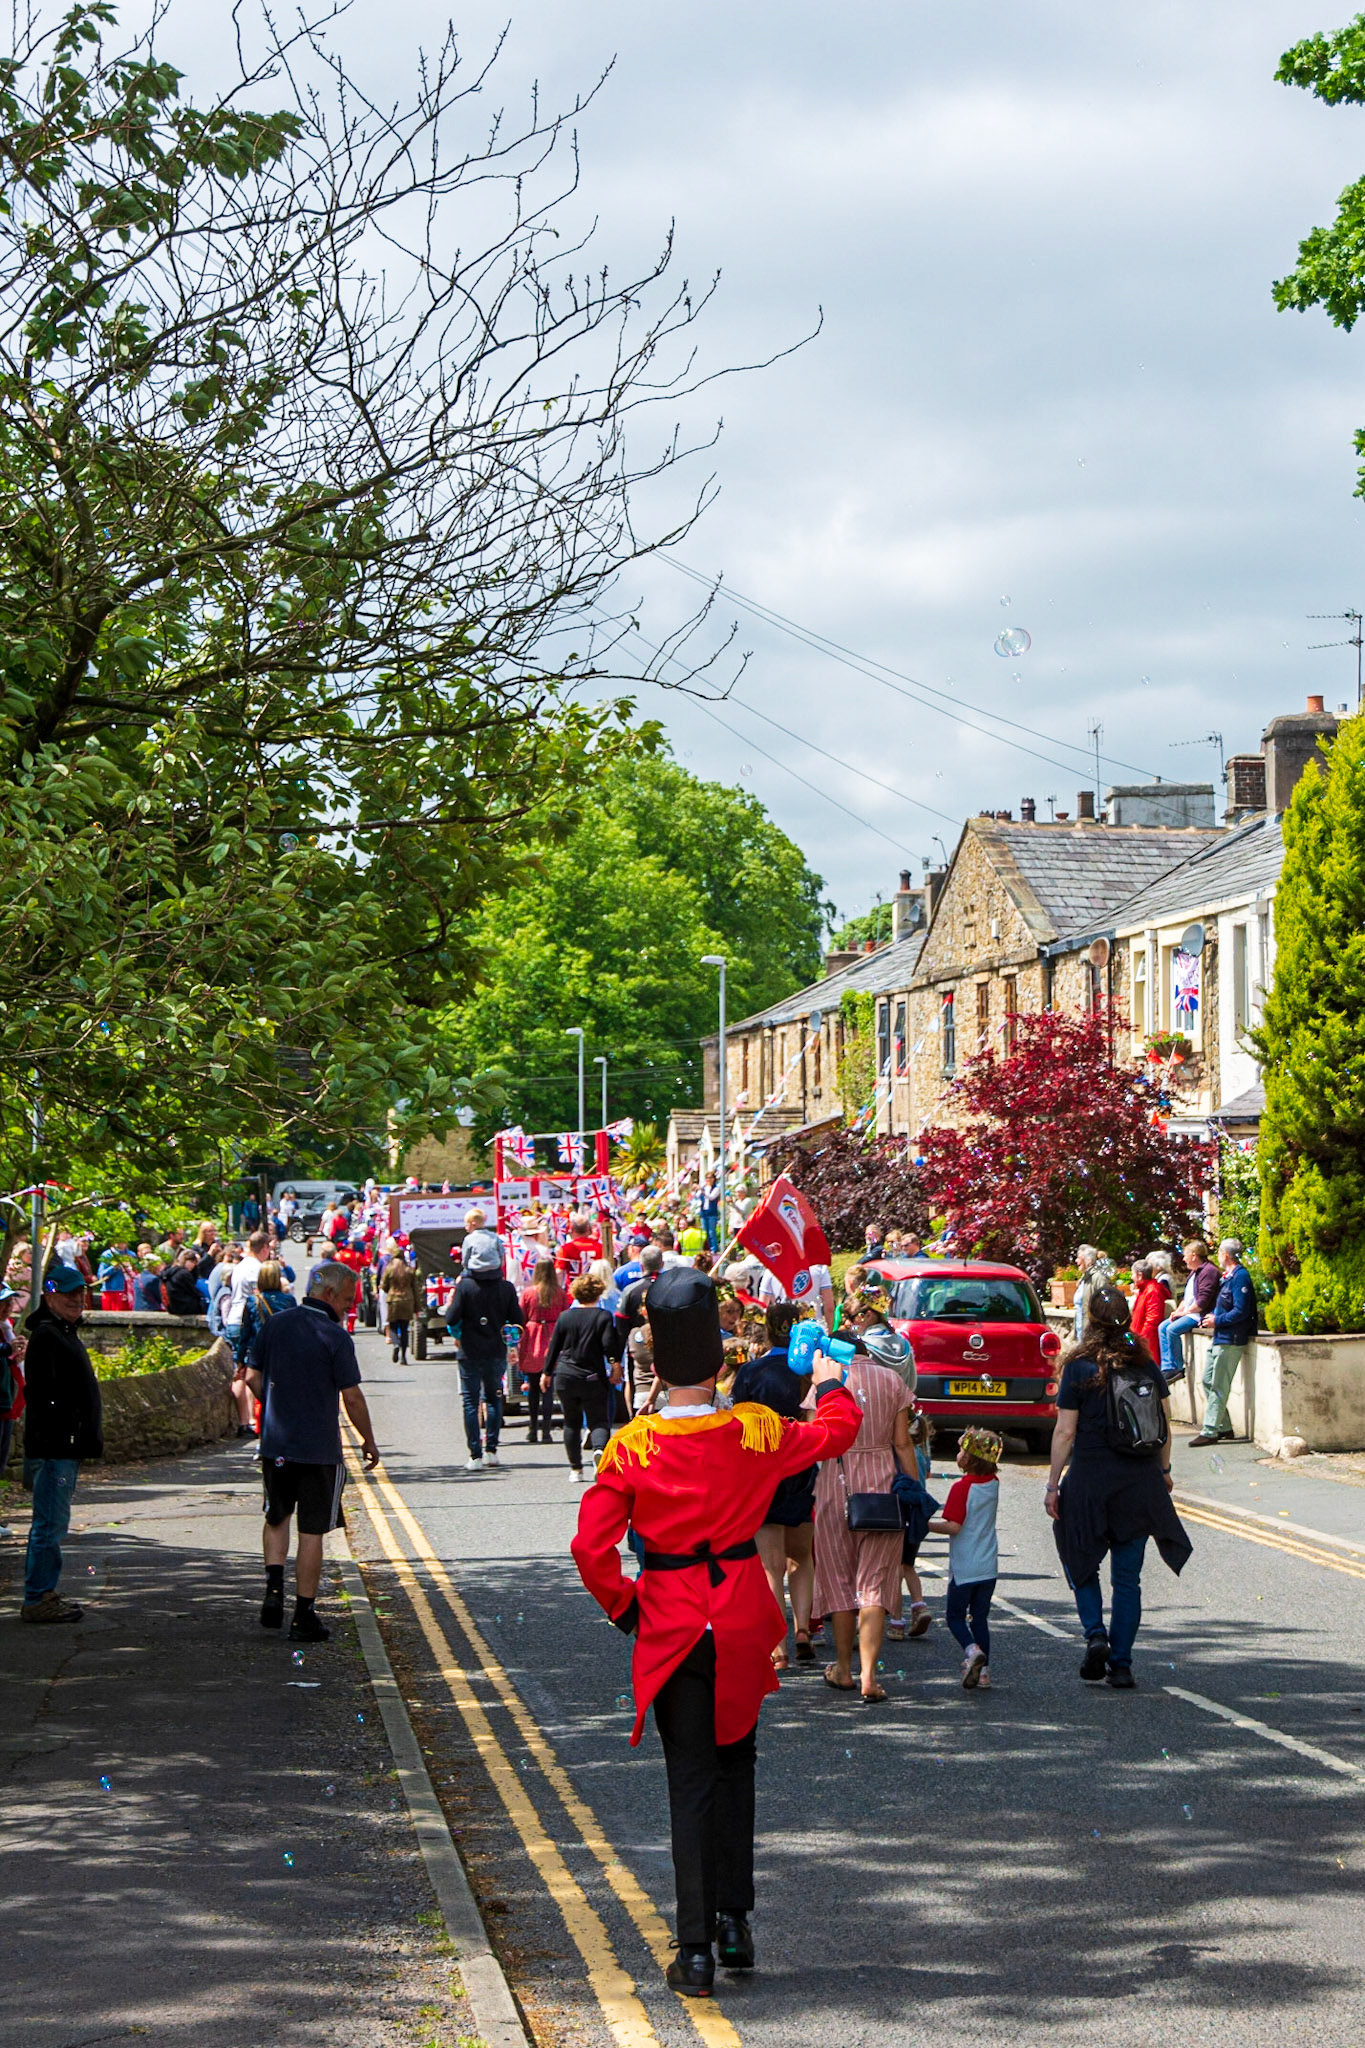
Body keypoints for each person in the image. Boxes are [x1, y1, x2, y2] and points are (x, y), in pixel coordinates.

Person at [570, 1266, 862, 1996]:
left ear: (656, 1363)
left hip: (669, 1617)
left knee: (690, 1780)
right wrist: (826, 1378)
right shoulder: (755, 1433)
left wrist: (627, 1606)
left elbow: (590, 1547)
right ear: (721, 1356)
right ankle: (735, 1923)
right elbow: (838, 1430)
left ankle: (695, 1949)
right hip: (737, 1616)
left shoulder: (631, 1447)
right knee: (737, 1767)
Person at [1047, 1282, 1191, 1687]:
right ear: (1126, 1319)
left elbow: (1064, 1433)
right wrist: (1163, 1471)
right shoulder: (1144, 1365)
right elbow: (1165, 1426)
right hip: (1139, 1481)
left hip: (1090, 1481)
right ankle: (1122, 1664)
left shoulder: (1078, 1368)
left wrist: (1052, 1485)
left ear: (1090, 1320)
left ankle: (1095, 1635)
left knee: (1081, 1562)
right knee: (1128, 1579)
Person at [246, 1260, 380, 1641]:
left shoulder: (275, 1324)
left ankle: (274, 1592)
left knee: (276, 1517)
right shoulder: (335, 1336)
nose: (349, 1308)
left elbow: (252, 1377)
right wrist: (368, 1441)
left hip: (276, 1444)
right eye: (347, 1300)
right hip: (319, 1449)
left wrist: (275, 1408)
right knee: (312, 1532)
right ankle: (304, 1616)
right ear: (329, 1294)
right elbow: (351, 1397)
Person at [812, 1316, 916, 1703]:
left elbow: (814, 1435)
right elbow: (903, 1443)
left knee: (839, 1579)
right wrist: (913, 1486)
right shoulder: (892, 1380)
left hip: (835, 1485)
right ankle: (870, 1676)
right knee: (874, 1582)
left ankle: (842, 1668)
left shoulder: (827, 1381)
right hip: (883, 1490)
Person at [730, 1302, 819, 1670]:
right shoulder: (810, 1372)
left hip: (763, 1470)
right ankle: (802, 1630)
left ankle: (777, 1645)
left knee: (770, 1566)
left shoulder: (752, 1370)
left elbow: (737, 1425)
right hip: (803, 1466)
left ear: (767, 1329)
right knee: (802, 1555)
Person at [19, 1261, 103, 1624]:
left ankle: (43, 1594)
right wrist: (69, 1431)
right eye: (69, 1293)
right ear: (50, 1296)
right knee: (49, 1526)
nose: (78, 1299)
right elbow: (45, 1395)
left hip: (62, 1447)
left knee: (52, 1524)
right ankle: (38, 1597)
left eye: (81, 1292)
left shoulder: (61, 1331)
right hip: (55, 1448)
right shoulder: (48, 1335)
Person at [929, 1428, 1002, 1689]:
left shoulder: (961, 1488)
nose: (957, 1454)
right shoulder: (993, 1483)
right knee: (980, 1618)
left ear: (969, 1459)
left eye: (962, 1451)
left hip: (964, 1567)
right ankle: (984, 1673)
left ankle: (971, 1652)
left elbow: (953, 1526)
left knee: (955, 1617)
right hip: (988, 1566)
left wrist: (926, 1525)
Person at [449, 1235, 524, 1470]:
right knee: (493, 1399)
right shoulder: (506, 1288)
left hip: (469, 1351)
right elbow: (517, 1321)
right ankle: (492, 1449)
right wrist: (512, 1347)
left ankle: (475, 1454)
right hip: (495, 1351)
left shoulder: (465, 1286)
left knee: (470, 1402)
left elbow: (451, 1317)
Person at [544, 1273, 624, 1482]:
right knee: (599, 1419)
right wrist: (616, 1366)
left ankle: (575, 1469)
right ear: (598, 1292)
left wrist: (546, 1372)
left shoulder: (565, 1317)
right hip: (593, 1376)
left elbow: (554, 1347)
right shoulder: (603, 1316)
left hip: (565, 1374)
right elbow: (609, 1345)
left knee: (571, 1421)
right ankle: (598, 1450)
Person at [1190, 1238, 1258, 1447]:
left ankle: (1210, 1431)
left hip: (1231, 1339)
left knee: (1219, 1384)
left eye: (1219, 1252)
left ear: (1225, 1254)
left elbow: (1241, 1311)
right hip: (1221, 1337)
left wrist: (1217, 1320)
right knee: (1208, 1380)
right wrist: (1214, 1317)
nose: (1217, 1256)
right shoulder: (1227, 1278)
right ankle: (1224, 1427)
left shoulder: (1240, 1277)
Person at [517, 1258, 569, 1443]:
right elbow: (565, 1315)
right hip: (553, 1338)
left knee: (532, 1388)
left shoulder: (528, 1293)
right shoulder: (560, 1293)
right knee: (548, 1389)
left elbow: (520, 1317)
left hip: (532, 1339)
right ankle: (546, 1431)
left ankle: (532, 1428)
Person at [1159, 1238, 1222, 1383]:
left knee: (1172, 1330)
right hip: (1190, 1313)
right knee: (1162, 1327)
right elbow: (1186, 1299)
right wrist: (1178, 1311)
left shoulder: (1208, 1271)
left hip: (1198, 1315)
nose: (1183, 1258)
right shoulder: (1194, 1273)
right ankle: (1167, 1367)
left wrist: (1184, 1313)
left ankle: (1178, 1368)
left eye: (1185, 1254)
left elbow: (1202, 1302)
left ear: (1194, 1255)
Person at [380, 1251, 421, 1365]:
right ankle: (403, 1357)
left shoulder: (389, 1269)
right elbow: (415, 1290)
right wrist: (417, 1308)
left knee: (392, 1326)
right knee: (404, 1329)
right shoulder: (409, 1270)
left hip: (393, 1300)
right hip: (407, 1301)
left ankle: (396, 1344)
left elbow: (384, 1286)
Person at [1128, 1257, 1166, 1363]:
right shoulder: (1144, 1289)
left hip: (1148, 1343)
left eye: (1133, 1274)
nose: (1131, 1277)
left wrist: (1141, 1341)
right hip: (1141, 1340)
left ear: (1140, 1275)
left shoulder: (1152, 1290)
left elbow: (1152, 1319)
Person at [1072, 1243, 1114, 1341]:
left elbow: (1106, 1305)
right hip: (1082, 1333)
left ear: (1088, 1261)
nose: (1076, 1260)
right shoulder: (1084, 1279)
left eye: (1078, 1257)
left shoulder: (1099, 1278)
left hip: (1093, 1335)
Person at [556, 1209, 604, 1283]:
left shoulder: (566, 1249)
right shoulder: (600, 1247)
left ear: (572, 1229)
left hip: (572, 1291)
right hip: (595, 1290)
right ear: (589, 1229)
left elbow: (559, 1272)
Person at [161, 1247, 208, 1317]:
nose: (194, 1265)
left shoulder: (170, 1271)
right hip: (183, 1306)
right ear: (185, 1260)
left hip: (172, 1306)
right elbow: (193, 1291)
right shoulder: (184, 1274)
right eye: (192, 1262)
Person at [699, 1176, 720, 1254]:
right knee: (705, 1232)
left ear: (713, 1179)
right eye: (707, 1178)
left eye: (710, 1178)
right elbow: (698, 1196)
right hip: (704, 1212)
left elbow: (711, 1197)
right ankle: (707, 1248)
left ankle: (714, 1249)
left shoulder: (716, 1188)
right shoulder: (704, 1187)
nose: (708, 1179)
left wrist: (702, 1192)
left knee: (711, 1232)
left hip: (711, 1213)